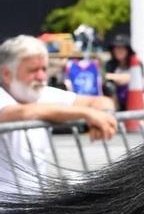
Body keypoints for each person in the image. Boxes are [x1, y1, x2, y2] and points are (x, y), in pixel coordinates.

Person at [0, 34, 115, 196]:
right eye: (33, 70)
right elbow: (24, 112)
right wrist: (88, 114)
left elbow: (101, 101)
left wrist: (103, 117)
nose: (41, 77)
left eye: (44, 69)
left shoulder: (40, 92)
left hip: (31, 207)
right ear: (6, 74)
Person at [103, 31, 144, 110]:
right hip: (115, 97)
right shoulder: (110, 64)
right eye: (116, 48)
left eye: (121, 48)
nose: (118, 51)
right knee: (109, 87)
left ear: (127, 50)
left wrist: (115, 77)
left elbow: (136, 79)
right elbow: (105, 77)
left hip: (132, 97)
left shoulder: (136, 63)